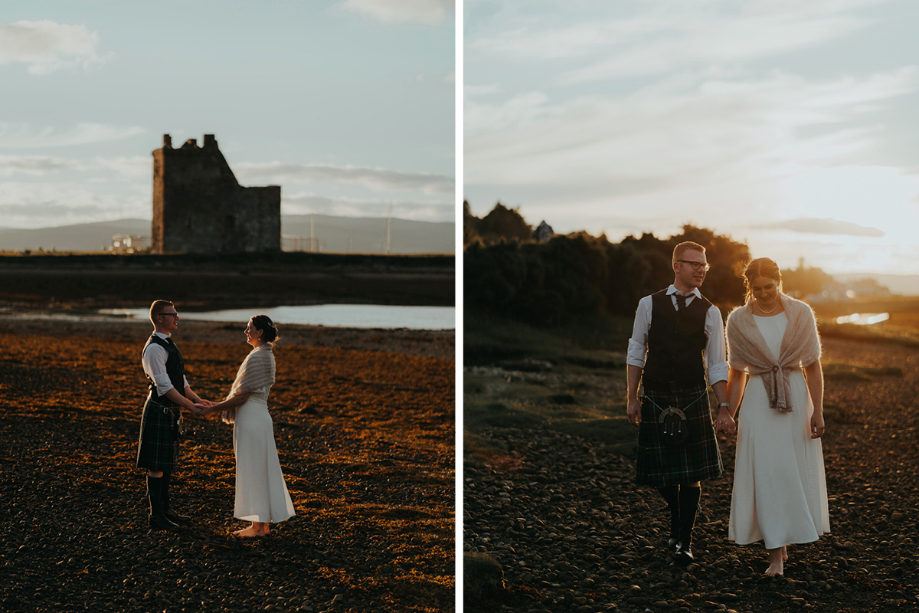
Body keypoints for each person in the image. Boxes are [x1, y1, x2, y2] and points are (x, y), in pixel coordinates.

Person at [716, 258, 829, 577]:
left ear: (779, 282)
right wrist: (728, 410)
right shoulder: (737, 319)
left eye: (770, 287)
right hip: (758, 401)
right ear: (748, 287)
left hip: (795, 398)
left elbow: (812, 365)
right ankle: (775, 555)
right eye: (757, 288)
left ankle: (785, 537)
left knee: (788, 470)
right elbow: (736, 372)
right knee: (766, 472)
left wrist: (818, 409)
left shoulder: (801, 313)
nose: (764, 294)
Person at [626, 241, 730, 564]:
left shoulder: (711, 312)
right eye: (694, 264)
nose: (701, 270)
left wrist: (723, 406)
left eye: (704, 266)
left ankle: (684, 540)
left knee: (691, 474)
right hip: (655, 395)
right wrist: (632, 396)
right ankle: (680, 513)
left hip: (692, 396)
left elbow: (716, 364)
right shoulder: (648, 304)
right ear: (676, 266)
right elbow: (636, 351)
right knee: (659, 474)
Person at [196, 315, 295, 537]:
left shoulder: (258, 356)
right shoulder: (265, 355)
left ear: (260, 332)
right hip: (257, 417)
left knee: (253, 469)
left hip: (252, 419)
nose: (245, 331)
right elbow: (243, 395)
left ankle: (259, 527)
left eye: (249, 328)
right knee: (258, 468)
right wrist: (217, 404)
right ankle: (261, 525)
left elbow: (242, 397)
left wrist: (214, 409)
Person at [137, 300, 214, 530]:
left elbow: (180, 382)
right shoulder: (154, 348)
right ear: (159, 318)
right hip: (159, 409)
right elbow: (165, 387)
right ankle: (156, 516)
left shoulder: (168, 344)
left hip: (170, 410)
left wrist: (197, 399)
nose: (176, 318)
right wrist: (190, 407)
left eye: (176, 314)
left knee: (166, 463)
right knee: (156, 465)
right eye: (172, 314)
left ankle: (166, 509)